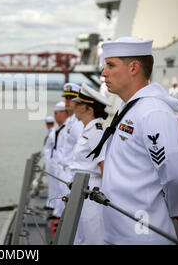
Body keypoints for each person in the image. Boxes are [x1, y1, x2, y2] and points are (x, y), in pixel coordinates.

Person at [92, 36, 178, 245]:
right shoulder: (130, 108)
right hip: (119, 233)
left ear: (133, 68)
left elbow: (174, 174)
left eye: (111, 65)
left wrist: (175, 206)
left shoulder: (153, 112)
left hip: (142, 236)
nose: (104, 73)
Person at [68, 83, 111, 245]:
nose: (74, 106)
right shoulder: (88, 129)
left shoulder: (96, 132)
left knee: (92, 237)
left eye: (79, 104)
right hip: (80, 189)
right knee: (79, 236)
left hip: (90, 192)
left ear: (89, 109)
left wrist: (104, 195)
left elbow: (103, 166)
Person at [52, 83, 83, 219]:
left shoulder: (79, 123)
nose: (68, 101)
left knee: (73, 217)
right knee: (66, 214)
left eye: (72, 97)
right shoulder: (70, 121)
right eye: (66, 97)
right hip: (63, 172)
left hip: (71, 175)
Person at [43, 116, 56, 210]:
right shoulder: (52, 132)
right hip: (50, 161)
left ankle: (52, 204)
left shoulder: (53, 133)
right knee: (51, 183)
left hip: (52, 162)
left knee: (52, 183)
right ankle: (51, 202)